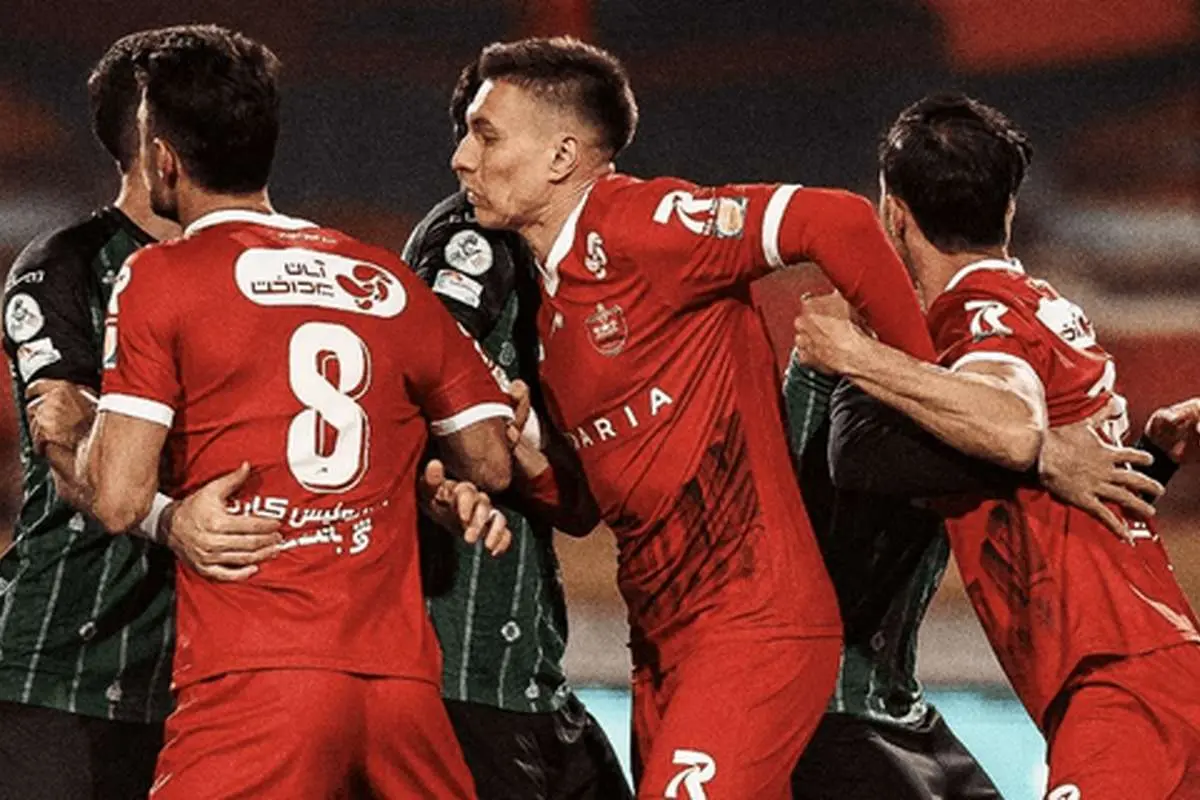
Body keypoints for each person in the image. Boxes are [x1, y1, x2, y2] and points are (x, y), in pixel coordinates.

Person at [31, 25, 514, 798]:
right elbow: (489, 458)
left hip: (258, 680)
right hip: (400, 690)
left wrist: (75, 433)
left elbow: (118, 498)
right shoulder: (384, 275)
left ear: (163, 160)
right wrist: (418, 480)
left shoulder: (161, 277)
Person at [452, 35, 939, 799]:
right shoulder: (550, 309)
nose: (462, 159)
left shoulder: (641, 224)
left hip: (753, 625)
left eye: (486, 135)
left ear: (561, 156)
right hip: (661, 648)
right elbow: (584, 508)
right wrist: (526, 453)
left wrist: (922, 389)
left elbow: (836, 221)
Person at [791, 91, 1200, 799]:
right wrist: (1152, 458)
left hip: (1116, 693)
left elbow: (1010, 420)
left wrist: (855, 355)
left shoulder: (977, 315)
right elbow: (1065, 498)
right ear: (1008, 209)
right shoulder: (1051, 308)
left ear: (893, 213)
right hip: (1161, 668)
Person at [0, 30, 280, 799]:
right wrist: (169, 519)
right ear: (158, 142)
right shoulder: (66, 267)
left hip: (215, 677)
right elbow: (64, 436)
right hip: (67, 671)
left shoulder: (273, 270)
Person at [400, 57, 633, 800]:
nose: (462, 158)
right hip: (463, 671)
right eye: (472, 134)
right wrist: (465, 468)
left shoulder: (565, 265)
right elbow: (418, 391)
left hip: (525, 669)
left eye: (486, 136)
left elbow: (576, 503)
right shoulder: (471, 239)